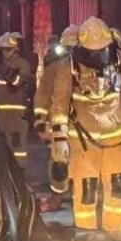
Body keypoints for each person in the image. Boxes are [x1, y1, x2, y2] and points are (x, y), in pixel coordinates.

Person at [46, 17, 121, 238]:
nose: (98, 55)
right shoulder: (68, 66)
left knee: (118, 192)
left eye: (102, 50)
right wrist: (60, 141)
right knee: (87, 193)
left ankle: (115, 240)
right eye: (92, 51)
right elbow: (59, 104)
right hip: (84, 144)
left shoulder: (119, 60)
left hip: (117, 141)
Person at [37, 25, 79, 195]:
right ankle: (58, 192)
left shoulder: (86, 69)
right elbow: (43, 95)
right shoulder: (53, 69)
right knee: (58, 159)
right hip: (59, 121)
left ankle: (79, 189)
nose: (70, 53)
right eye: (67, 49)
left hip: (82, 123)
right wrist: (40, 120)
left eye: (73, 49)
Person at [0, 32, 37, 161]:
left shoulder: (23, 64)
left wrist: (6, 71)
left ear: (15, 49)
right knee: (1, 145)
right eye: (3, 49)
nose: (5, 52)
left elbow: (18, 82)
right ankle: (6, 169)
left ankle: (20, 169)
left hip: (17, 113)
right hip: (0, 112)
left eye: (8, 49)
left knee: (18, 146)